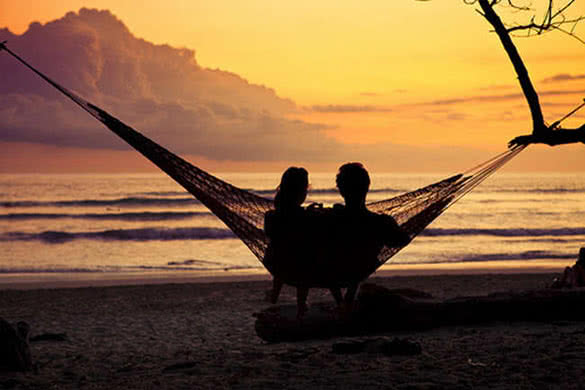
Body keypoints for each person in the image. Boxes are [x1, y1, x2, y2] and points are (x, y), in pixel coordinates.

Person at [328, 162, 410, 304]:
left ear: (341, 189)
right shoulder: (380, 222)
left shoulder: (331, 218)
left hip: (332, 271)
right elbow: (401, 239)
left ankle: (341, 302)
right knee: (358, 262)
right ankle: (348, 298)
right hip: (360, 269)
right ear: (367, 187)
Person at [263, 167, 312, 316]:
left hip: (276, 263)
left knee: (283, 249)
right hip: (302, 269)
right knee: (304, 255)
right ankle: (301, 303)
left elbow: (269, 236)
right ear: (302, 192)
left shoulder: (271, 216)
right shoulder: (306, 218)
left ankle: (275, 294)